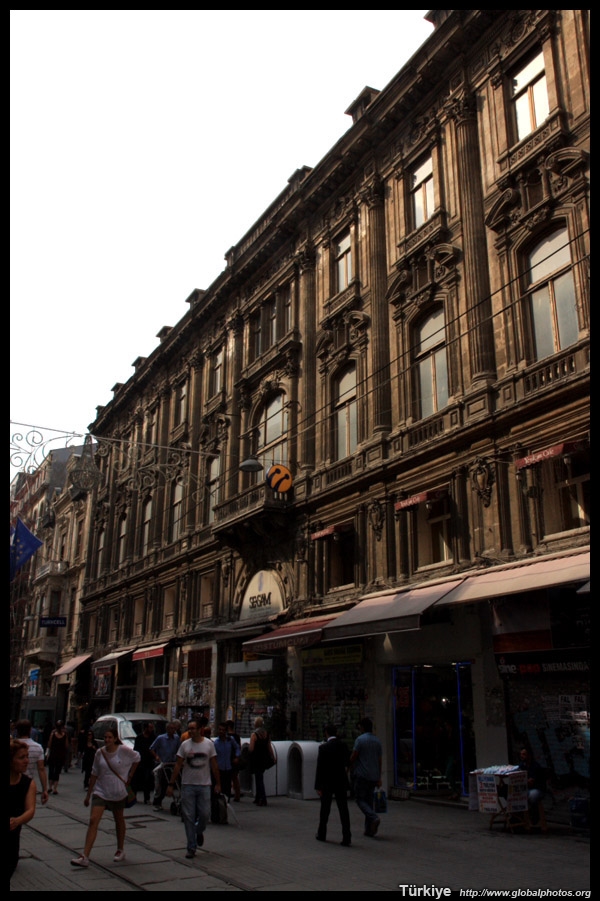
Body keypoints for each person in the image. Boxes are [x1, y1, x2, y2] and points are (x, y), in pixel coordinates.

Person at [70, 727, 140, 868]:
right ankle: (85, 856)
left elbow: (137, 757)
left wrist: (130, 775)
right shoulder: (99, 752)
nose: (107, 740)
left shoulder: (123, 750)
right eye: (105, 737)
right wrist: (88, 794)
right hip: (101, 791)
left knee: (118, 819)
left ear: (115, 739)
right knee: (93, 820)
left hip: (117, 791)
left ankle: (120, 849)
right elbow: (94, 773)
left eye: (110, 737)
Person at [165, 717, 221, 858]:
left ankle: (198, 830)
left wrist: (218, 783)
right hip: (188, 785)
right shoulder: (185, 745)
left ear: (200, 729)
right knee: (188, 816)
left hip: (204, 785)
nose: (190, 731)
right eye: (189, 728)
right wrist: (171, 784)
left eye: (193, 728)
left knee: (205, 814)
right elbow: (178, 765)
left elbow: (214, 764)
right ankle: (191, 846)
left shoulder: (209, 744)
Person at [315, 723, 352, 846]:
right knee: (343, 809)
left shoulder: (323, 748)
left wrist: (318, 786)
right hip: (340, 781)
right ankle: (347, 836)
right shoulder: (343, 745)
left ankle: (322, 833)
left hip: (327, 782)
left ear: (326, 733)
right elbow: (348, 762)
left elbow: (320, 768)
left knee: (325, 809)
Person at [349, 717, 383, 837]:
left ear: (362, 728)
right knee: (369, 801)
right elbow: (379, 761)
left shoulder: (360, 740)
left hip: (362, 775)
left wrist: (349, 766)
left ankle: (373, 818)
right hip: (373, 776)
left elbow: (354, 756)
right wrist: (379, 777)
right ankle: (368, 829)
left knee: (359, 799)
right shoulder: (377, 741)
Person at [10, 739, 37, 881]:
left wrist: (17, 821)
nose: (26, 761)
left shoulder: (28, 784)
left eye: (27, 756)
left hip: (12, 839)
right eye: (21, 757)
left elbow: (30, 810)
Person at [15, 719, 49, 805]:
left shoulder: (13, 746)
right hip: (28, 784)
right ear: (30, 730)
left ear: (17, 730)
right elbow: (41, 769)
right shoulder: (38, 747)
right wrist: (44, 789)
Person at [150, 720, 181, 810]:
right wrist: (156, 756)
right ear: (167, 729)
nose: (172, 730)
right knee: (160, 784)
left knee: (172, 782)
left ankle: (177, 800)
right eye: (170, 728)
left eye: (174, 729)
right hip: (162, 764)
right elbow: (152, 748)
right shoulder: (161, 738)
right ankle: (157, 802)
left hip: (171, 764)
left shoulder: (176, 738)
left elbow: (179, 749)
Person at [212, 721, 240, 817]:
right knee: (218, 792)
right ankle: (217, 813)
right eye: (219, 730)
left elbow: (237, 748)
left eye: (223, 730)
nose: (221, 731)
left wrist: (237, 756)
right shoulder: (216, 743)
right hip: (219, 770)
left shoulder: (230, 740)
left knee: (227, 791)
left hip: (228, 768)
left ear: (226, 731)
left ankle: (224, 811)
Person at [248, 715, 275, 807]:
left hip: (256, 759)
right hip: (264, 758)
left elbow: (251, 748)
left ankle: (262, 799)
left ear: (255, 724)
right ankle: (257, 796)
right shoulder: (266, 734)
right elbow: (269, 747)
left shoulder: (254, 735)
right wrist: (273, 757)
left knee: (259, 779)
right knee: (259, 777)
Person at [518, 746, 547, 824]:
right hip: (526, 788)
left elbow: (531, 781)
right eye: (521, 754)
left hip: (537, 789)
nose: (522, 756)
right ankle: (517, 817)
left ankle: (534, 816)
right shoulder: (522, 766)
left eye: (524, 754)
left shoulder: (535, 766)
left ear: (529, 755)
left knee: (532, 796)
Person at [132, 721, 156, 804]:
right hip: (140, 761)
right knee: (137, 780)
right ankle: (134, 797)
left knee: (147, 780)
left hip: (149, 762)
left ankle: (147, 798)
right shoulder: (139, 738)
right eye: (150, 728)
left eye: (152, 728)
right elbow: (135, 749)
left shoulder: (153, 737)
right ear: (146, 728)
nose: (151, 729)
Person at [46, 720, 69, 794]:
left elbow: (49, 745)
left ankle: (50, 787)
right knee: (57, 772)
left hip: (53, 754)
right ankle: (55, 788)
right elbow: (66, 746)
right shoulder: (65, 735)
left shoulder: (53, 734)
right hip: (60, 755)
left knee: (51, 770)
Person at [226, 720, 242, 801]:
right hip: (235, 758)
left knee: (228, 777)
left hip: (228, 758)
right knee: (235, 777)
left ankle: (228, 793)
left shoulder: (227, 737)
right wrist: (237, 757)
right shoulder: (237, 736)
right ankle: (237, 794)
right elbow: (239, 747)